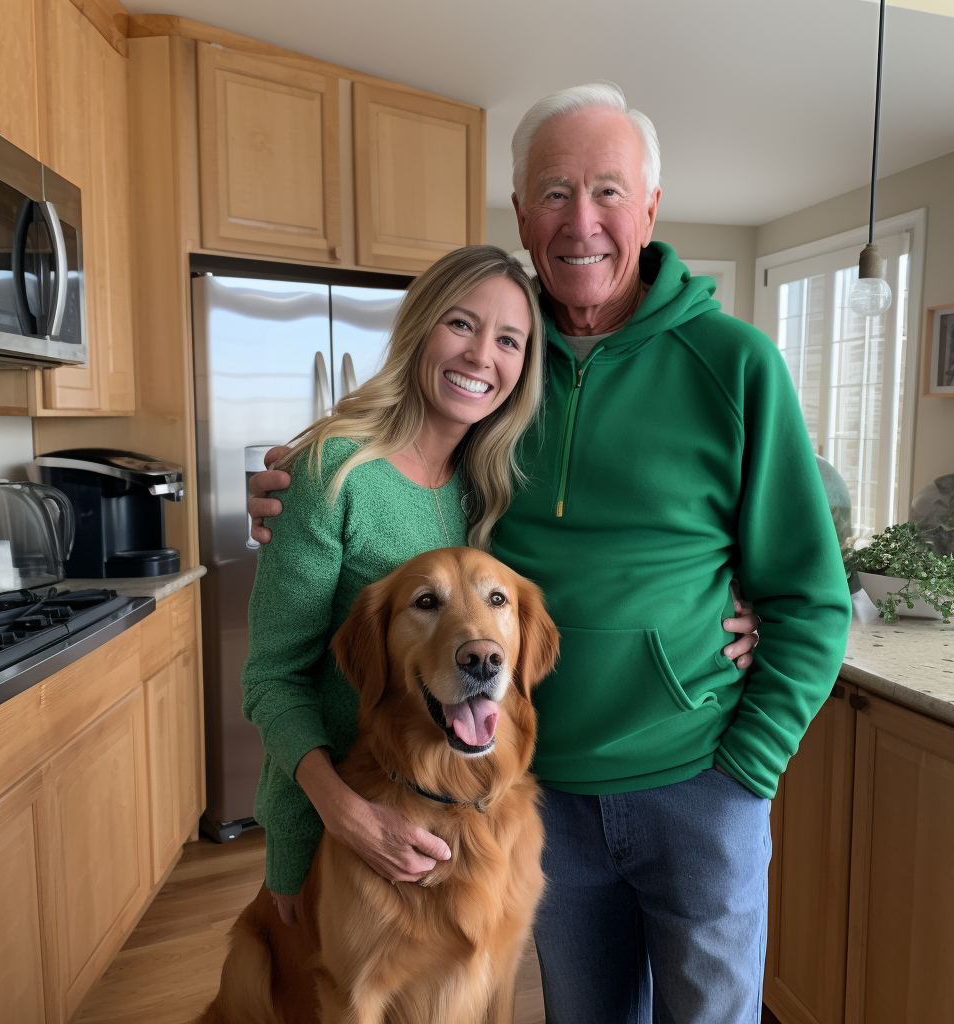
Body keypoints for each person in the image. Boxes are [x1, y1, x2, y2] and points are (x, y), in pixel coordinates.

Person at [250, 83, 849, 1024]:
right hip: (538, 791)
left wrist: (748, 769)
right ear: (523, 215)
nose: (583, 221)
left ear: (651, 207)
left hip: (699, 781)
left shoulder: (734, 364)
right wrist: (294, 482)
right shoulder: (501, 372)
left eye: (609, 191)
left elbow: (813, 599)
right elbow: (398, 473)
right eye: (556, 193)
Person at [242, 245, 545, 926]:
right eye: (461, 325)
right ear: (420, 328)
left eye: (508, 340)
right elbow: (273, 679)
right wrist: (338, 820)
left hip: (453, 815)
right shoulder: (332, 473)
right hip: (344, 819)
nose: (480, 357)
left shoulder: (493, 486)